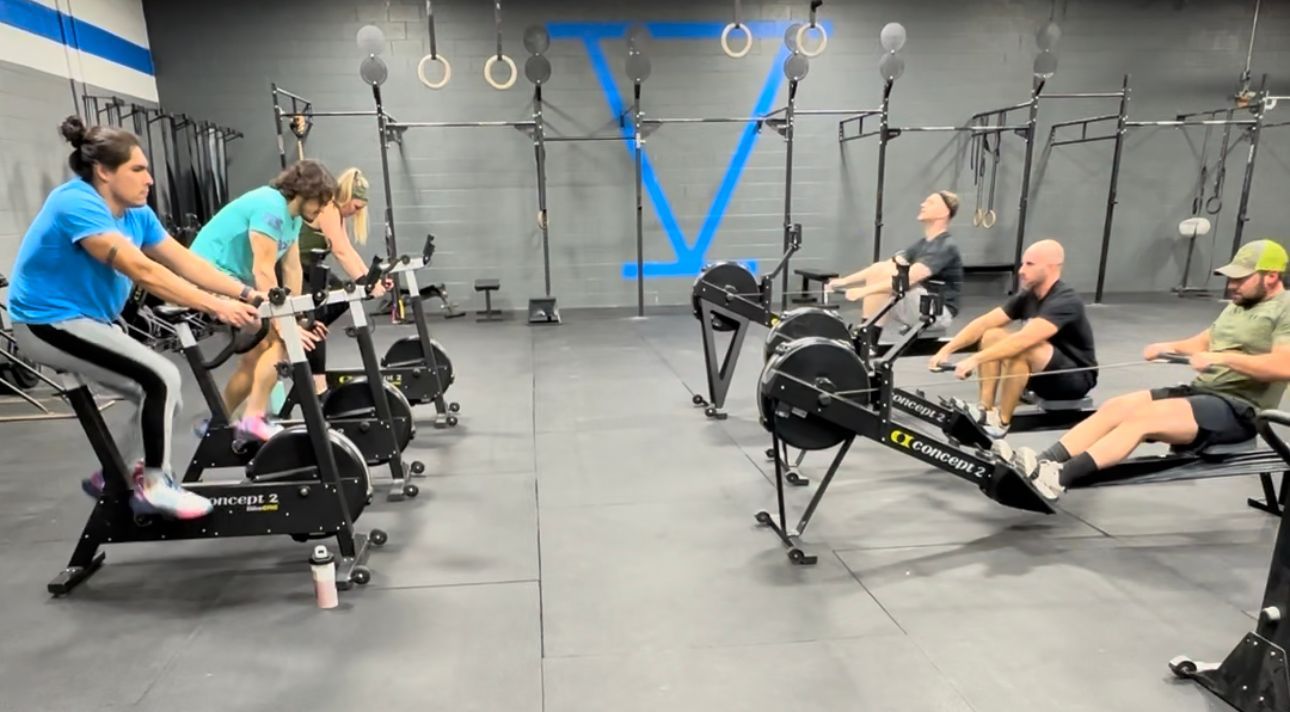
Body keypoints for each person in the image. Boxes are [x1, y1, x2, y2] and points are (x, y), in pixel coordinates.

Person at [9, 116, 261, 519]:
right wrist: (215, 306)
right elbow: (142, 270)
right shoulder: (76, 202)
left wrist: (245, 293)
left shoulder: (135, 214)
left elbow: (184, 262)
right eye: (138, 170)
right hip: (46, 322)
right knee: (162, 377)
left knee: (163, 394)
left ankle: (115, 473)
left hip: (87, 320)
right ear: (104, 171)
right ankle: (156, 486)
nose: (149, 180)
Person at [996, 239, 1290, 502]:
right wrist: (1168, 346)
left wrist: (1221, 359)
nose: (1233, 285)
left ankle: (1058, 478)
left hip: (1241, 408)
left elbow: (1282, 366)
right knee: (1116, 407)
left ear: (1271, 277)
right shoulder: (1238, 306)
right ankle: (1043, 463)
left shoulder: (1284, 308)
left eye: (1241, 278)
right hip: (1204, 393)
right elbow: (1204, 342)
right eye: (1231, 278)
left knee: (1143, 419)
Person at [188, 159, 335, 441]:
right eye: (321, 200)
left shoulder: (291, 218)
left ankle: (216, 422)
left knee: (255, 358)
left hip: (232, 279)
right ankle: (252, 420)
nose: (323, 209)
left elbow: (292, 269)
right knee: (277, 341)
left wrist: (299, 316)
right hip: (207, 274)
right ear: (304, 191)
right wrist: (282, 325)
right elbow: (263, 270)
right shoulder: (270, 207)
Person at [929, 239, 1097, 437]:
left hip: (1074, 379)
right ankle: (986, 409)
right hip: (1042, 373)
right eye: (1023, 263)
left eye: (1030, 264)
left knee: (1023, 348)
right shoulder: (1028, 296)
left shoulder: (1065, 299)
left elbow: (1024, 340)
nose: (1021, 270)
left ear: (1051, 267)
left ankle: (1002, 422)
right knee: (992, 334)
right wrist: (946, 350)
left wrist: (974, 359)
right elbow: (984, 323)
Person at [827, 191, 964, 345]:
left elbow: (909, 278)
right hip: (919, 304)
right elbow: (881, 268)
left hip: (937, 312)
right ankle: (866, 340)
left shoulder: (945, 246)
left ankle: (867, 342)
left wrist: (864, 291)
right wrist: (843, 282)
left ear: (944, 212)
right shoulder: (923, 243)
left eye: (930, 202)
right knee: (881, 269)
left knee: (890, 277)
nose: (923, 204)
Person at [296, 167, 387, 396]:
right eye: (356, 207)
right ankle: (318, 385)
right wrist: (365, 282)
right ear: (346, 197)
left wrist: (371, 279)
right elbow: (340, 252)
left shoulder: (337, 214)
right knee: (313, 319)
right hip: (294, 269)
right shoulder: (328, 207)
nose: (356, 212)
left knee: (344, 295)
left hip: (312, 270)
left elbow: (349, 249)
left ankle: (302, 334)